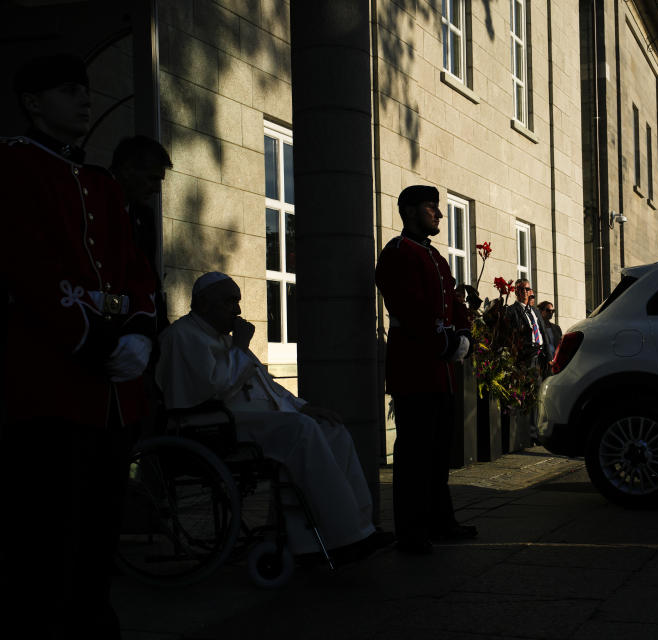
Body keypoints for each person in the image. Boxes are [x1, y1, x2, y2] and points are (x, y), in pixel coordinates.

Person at [0, 53, 158, 639]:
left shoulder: (99, 183)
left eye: (87, 90)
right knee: (48, 531)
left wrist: (141, 330)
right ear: (34, 102)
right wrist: (90, 339)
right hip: (54, 380)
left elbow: (136, 271)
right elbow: (26, 266)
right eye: (70, 91)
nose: (86, 100)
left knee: (99, 524)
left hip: (112, 390)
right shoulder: (15, 165)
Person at [155, 273, 392, 563]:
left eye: (238, 302)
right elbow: (212, 391)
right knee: (302, 431)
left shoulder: (221, 337)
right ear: (204, 304)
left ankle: (359, 529)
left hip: (247, 422)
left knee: (332, 429)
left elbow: (265, 382)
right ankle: (344, 538)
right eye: (230, 303)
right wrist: (240, 347)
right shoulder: (183, 336)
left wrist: (302, 406)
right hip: (214, 427)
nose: (238, 311)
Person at [375, 184, 478, 554]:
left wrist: (463, 332)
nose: (437, 214)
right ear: (408, 211)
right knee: (414, 454)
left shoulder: (436, 258)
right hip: (414, 366)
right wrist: (445, 343)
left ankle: (440, 520)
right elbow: (410, 307)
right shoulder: (398, 253)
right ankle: (412, 530)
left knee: (437, 452)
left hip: (440, 370)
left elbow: (453, 299)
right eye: (430, 208)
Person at [110, 135, 173, 329]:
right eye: (152, 179)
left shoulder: (144, 216)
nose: (156, 189)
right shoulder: (92, 202)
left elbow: (151, 279)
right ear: (128, 170)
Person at [509, 279, 554, 372]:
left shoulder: (535, 311)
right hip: (526, 358)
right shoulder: (512, 311)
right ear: (516, 291)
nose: (525, 291)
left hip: (542, 357)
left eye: (527, 288)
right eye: (522, 289)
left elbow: (544, 333)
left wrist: (549, 357)